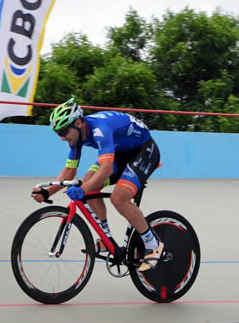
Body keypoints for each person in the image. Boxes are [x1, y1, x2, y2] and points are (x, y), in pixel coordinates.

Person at [30, 98, 162, 272]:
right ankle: (105, 239)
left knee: (119, 198)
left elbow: (106, 169)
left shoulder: (100, 130)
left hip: (143, 151)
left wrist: (82, 189)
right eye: (57, 133)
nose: (62, 138)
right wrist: (48, 192)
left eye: (63, 131)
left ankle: (153, 244)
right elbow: (70, 172)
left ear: (78, 123)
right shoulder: (76, 137)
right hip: (121, 153)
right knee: (89, 184)